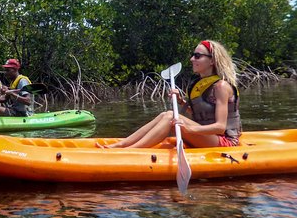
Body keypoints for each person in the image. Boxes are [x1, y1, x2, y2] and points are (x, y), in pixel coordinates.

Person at [99, 40, 241, 148]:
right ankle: (122, 145)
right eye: (193, 55)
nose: (192, 59)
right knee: (166, 114)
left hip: (225, 141)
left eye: (197, 56)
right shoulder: (201, 84)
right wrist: (181, 102)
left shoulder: (221, 86)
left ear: (212, 61)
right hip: (209, 136)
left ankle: (131, 150)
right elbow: (203, 115)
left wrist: (190, 128)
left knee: (171, 117)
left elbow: (220, 127)